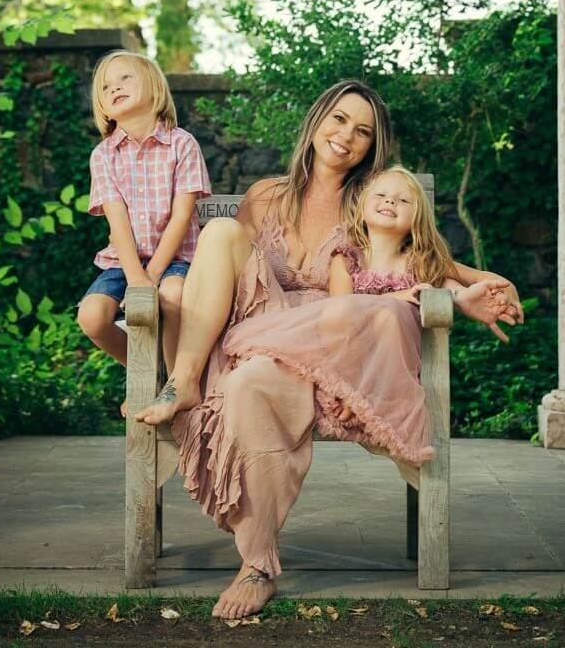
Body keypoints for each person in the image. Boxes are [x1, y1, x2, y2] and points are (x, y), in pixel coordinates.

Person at [135, 81, 521, 619]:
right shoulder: (266, 196)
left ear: (373, 146)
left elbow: (430, 258)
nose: (347, 137)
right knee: (221, 231)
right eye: (339, 120)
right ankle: (185, 381)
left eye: (362, 131)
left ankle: (257, 565)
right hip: (257, 326)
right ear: (318, 122)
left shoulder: (371, 202)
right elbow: (218, 266)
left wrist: (488, 284)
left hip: (327, 343)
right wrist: (165, 287)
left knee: (249, 385)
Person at [223, 164, 513, 458]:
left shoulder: (423, 262)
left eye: (403, 200)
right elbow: (341, 319)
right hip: (350, 357)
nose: (390, 202)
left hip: (393, 368)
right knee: (351, 318)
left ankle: (366, 403)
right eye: (382, 195)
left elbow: (458, 287)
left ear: (418, 220)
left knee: (389, 318)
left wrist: (471, 298)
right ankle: (354, 396)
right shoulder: (346, 259)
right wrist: (400, 296)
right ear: (361, 210)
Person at [77, 51, 211, 414]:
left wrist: (152, 275)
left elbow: (182, 216)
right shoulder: (103, 155)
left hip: (176, 258)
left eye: (125, 79)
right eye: (106, 86)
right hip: (123, 263)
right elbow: (117, 222)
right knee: (91, 316)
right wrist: (137, 278)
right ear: (103, 107)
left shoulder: (182, 144)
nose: (114, 88)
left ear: (153, 89)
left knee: (172, 293)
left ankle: (175, 384)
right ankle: (146, 376)